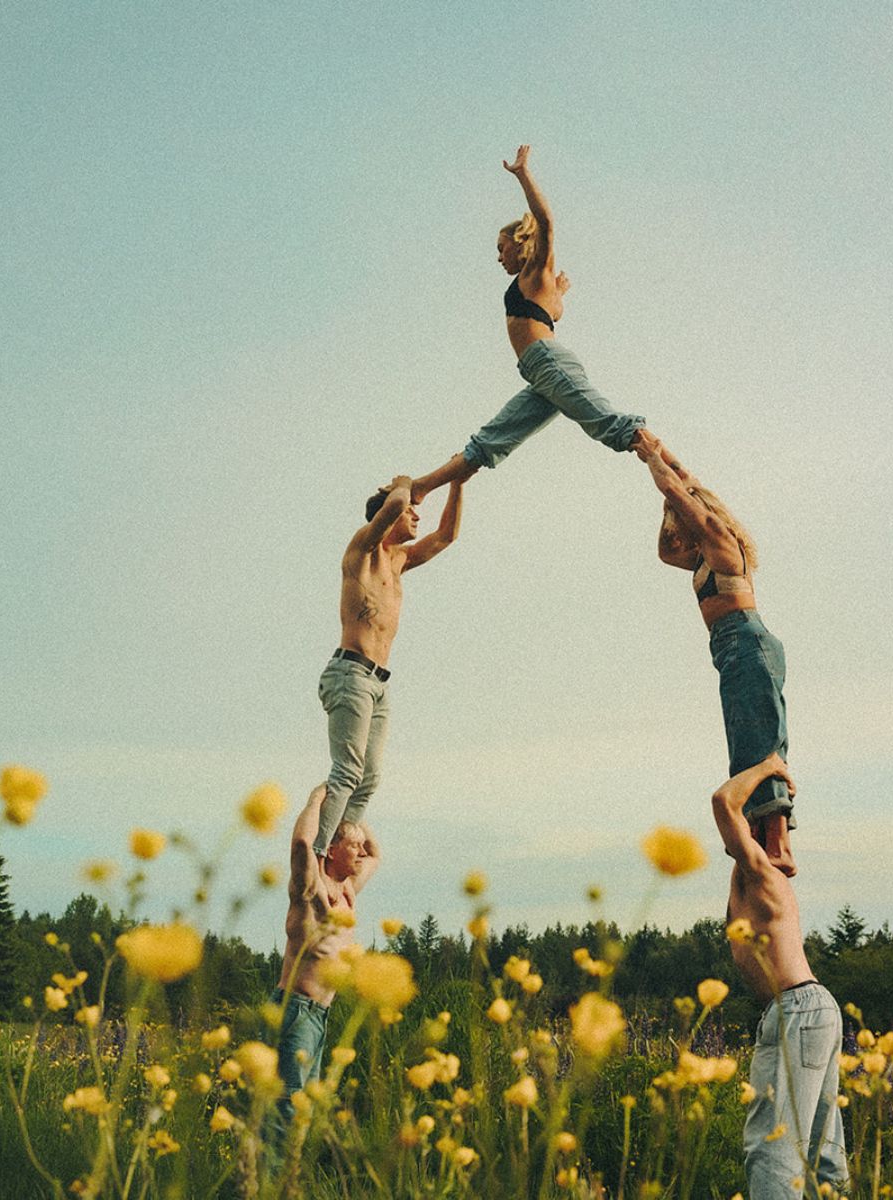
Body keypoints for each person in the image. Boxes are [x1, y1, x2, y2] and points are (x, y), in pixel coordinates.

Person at [411, 145, 653, 501]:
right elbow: (548, 314)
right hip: (538, 369)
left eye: (501, 247)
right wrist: (559, 295)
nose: (498, 257)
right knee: (491, 440)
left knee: (608, 425)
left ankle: (666, 464)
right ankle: (420, 488)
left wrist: (523, 174)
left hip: (547, 362)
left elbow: (547, 223)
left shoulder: (535, 270)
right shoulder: (539, 285)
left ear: (520, 244)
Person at [636, 436, 795, 871]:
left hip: (747, 641)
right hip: (730, 648)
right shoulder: (699, 554)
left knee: (760, 746)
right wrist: (663, 458)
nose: (677, 526)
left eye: (682, 517)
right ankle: (762, 836)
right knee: (746, 746)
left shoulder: (722, 540)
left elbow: (676, 488)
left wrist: (652, 461)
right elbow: (666, 552)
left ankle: (778, 846)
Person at [712, 756, 847, 1199]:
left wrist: (767, 766)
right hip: (807, 1009)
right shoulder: (751, 878)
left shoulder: (761, 874)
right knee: (823, 1153)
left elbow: (722, 801)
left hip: (798, 1010)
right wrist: (774, 817)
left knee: (774, 1149)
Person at [314, 475, 463, 858]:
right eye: (411, 511)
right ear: (386, 515)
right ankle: (314, 856)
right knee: (348, 771)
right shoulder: (362, 550)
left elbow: (446, 536)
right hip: (350, 674)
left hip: (378, 682)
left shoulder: (399, 562)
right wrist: (404, 483)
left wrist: (458, 483)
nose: (415, 516)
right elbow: (396, 505)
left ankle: (338, 852)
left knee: (369, 778)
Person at [273, 783, 379, 1125]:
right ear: (332, 851)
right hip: (296, 1010)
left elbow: (376, 854)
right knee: (287, 1109)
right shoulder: (311, 890)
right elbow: (303, 843)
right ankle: (271, 1177)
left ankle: (290, 1177)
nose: (362, 853)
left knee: (305, 1112)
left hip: (320, 1015)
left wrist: (354, 805)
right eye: (353, 846)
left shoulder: (347, 892)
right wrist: (318, 799)